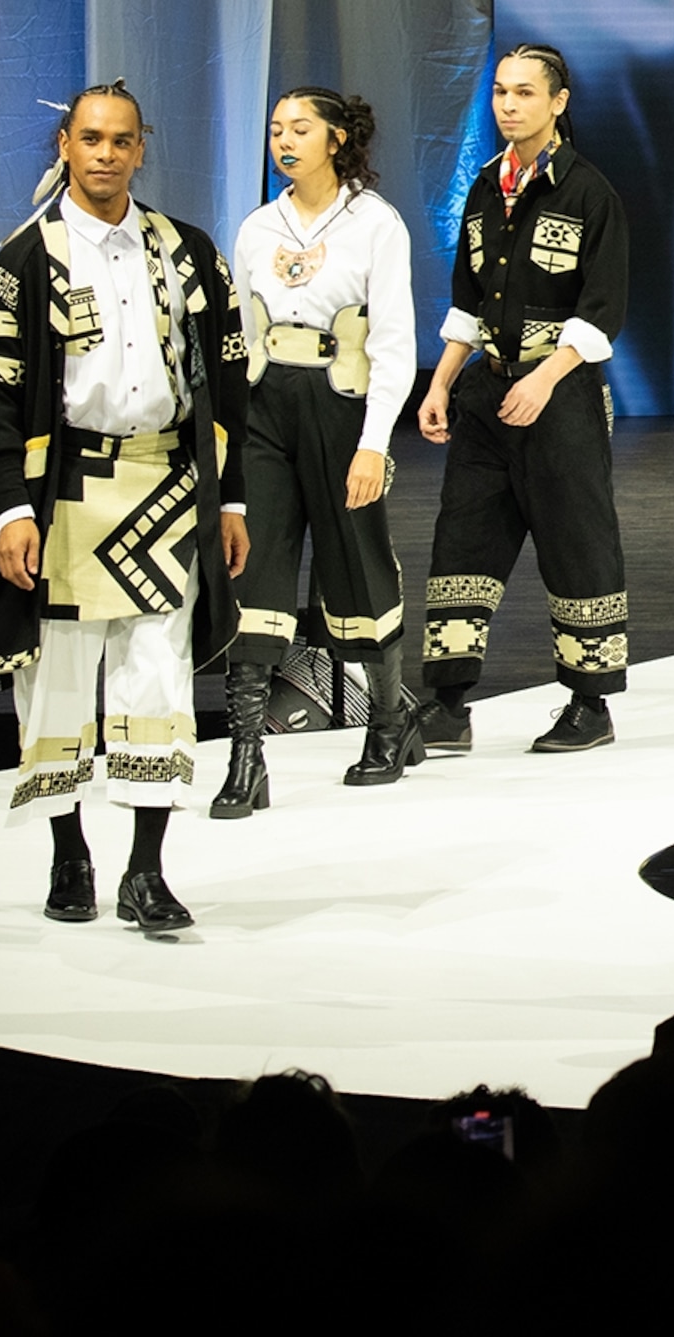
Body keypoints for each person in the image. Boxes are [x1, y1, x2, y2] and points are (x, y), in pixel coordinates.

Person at [0, 81, 250, 933]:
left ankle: (147, 871)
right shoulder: (25, 256)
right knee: (57, 678)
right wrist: (9, 508)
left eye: (123, 140)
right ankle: (70, 852)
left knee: (158, 679)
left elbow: (230, 380)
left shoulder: (188, 251)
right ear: (65, 144)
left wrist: (233, 496)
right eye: (92, 138)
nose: (106, 153)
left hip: (168, 488)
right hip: (65, 490)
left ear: (142, 149)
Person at [415, 45, 632, 755]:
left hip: (559, 394)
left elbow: (602, 310)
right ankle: (448, 703)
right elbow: (468, 300)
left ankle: (590, 702)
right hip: (487, 391)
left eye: (525, 93)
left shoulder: (589, 191)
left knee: (576, 539)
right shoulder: (484, 185)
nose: (509, 105)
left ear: (559, 102)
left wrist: (546, 377)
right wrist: (442, 382)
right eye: (501, 93)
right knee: (464, 535)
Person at [214, 87, 423, 815]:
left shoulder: (375, 223)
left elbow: (395, 343)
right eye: (275, 128)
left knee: (357, 562)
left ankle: (391, 722)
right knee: (257, 566)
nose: (284, 140)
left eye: (300, 128)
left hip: (342, 411)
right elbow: (238, 337)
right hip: (268, 409)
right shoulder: (256, 227)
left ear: (337, 138)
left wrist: (373, 444)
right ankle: (246, 755)